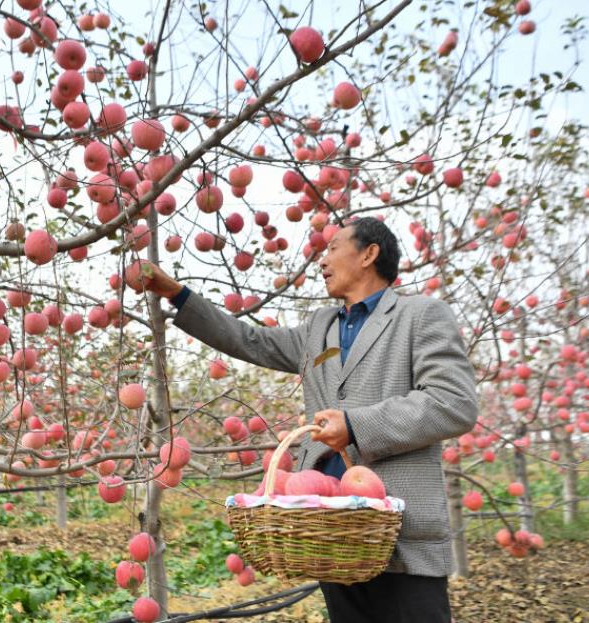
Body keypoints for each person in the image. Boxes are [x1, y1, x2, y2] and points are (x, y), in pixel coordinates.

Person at [131, 216, 478, 623]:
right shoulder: (319, 328)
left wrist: (356, 425)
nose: (322, 260)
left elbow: (453, 403)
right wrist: (178, 294)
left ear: (369, 254)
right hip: (330, 527)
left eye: (333, 248)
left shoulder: (420, 316)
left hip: (399, 532)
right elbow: (250, 341)